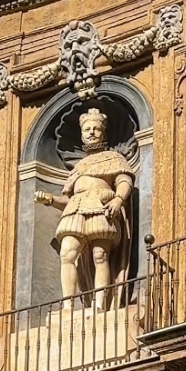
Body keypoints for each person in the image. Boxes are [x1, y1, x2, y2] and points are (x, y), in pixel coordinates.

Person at [35, 107, 135, 309]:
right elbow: (67, 200)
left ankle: (100, 305)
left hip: (101, 207)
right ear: (81, 134)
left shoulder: (114, 158)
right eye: (87, 129)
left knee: (100, 255)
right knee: (67, 254)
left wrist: (118, 200)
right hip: (75, 210)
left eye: (96, 128)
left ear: (103, 132)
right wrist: (50, 200)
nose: (91, 132)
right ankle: (68, 306)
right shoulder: (78, 168)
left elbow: (124, 180)